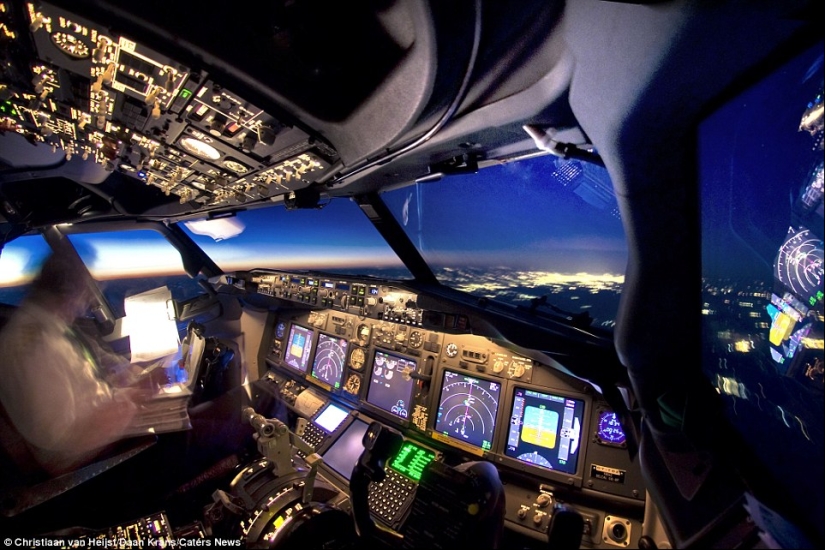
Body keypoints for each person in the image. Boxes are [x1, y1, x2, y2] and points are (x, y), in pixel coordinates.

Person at [0, 246, 151, 477]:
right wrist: (127, 404)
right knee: (209, 428)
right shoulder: (35, 346)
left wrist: (124, 380)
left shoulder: (53, 328)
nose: (85, 306)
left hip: (102, 438)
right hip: (89, 465)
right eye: (85, 294)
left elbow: (89, 379)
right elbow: (62, 438)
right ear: (69, 291)